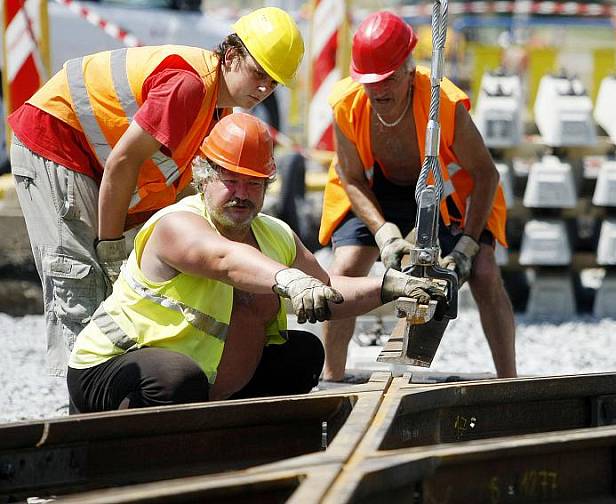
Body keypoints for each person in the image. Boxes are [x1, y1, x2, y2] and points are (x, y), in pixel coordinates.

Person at [67, 113, 444, 412]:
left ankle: (228, 428)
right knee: (176, 380)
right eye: (231, 180)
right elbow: (223, 259)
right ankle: (142, 452)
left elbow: (327, 290)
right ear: (204, 177)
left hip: (206, 376)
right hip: (113, 366)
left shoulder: (274, 234)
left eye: (254, 184)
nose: (242, 195)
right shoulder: (177, 224)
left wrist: (390, 286)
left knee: (303, 355)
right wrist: (290, 280)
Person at [8, 7, 305, 378]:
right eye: (259, 73)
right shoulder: (189, 86)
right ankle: (82, 410)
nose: (264, 89)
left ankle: (119, 398)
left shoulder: (217, 111)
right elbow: (122, 164)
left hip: (90, 156)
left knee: (126, 287)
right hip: (54, 140)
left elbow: (170, 189)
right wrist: (112, 247)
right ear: (231, 55)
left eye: (273, 82)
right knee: (78, 277)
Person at [319, 11, 517, 381]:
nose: (379, 91)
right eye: (369, 82)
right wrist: (384, 233)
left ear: (409, 70)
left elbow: (486, 175)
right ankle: (331, 378)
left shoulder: (444, 103)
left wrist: (467, 247)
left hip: (445, 191)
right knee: (345, 267)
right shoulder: (346, 104)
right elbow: (349, 176)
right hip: (376, 189)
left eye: (388, 79)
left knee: (486, 273)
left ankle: (509, 379)